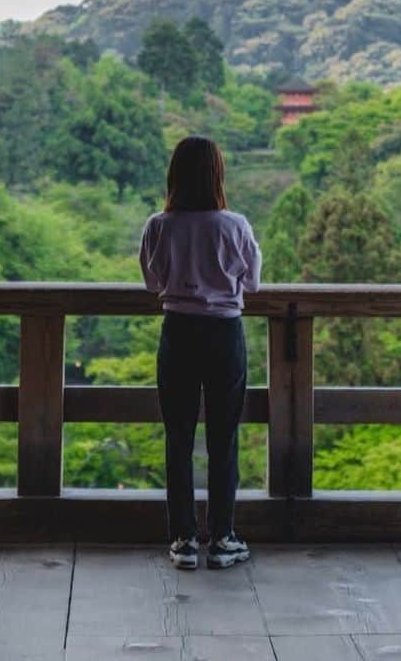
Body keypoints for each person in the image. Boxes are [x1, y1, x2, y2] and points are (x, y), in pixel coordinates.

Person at [139, 135, 262, 571]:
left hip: (178, 332)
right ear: (218, 175)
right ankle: (223, 538)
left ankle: (184, 540)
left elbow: (152, 284)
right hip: (225, 333)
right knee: (223, 438)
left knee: (178, 438)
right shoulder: (235, 226)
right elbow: (253, 283)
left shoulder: (159, 225)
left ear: (174, 175)